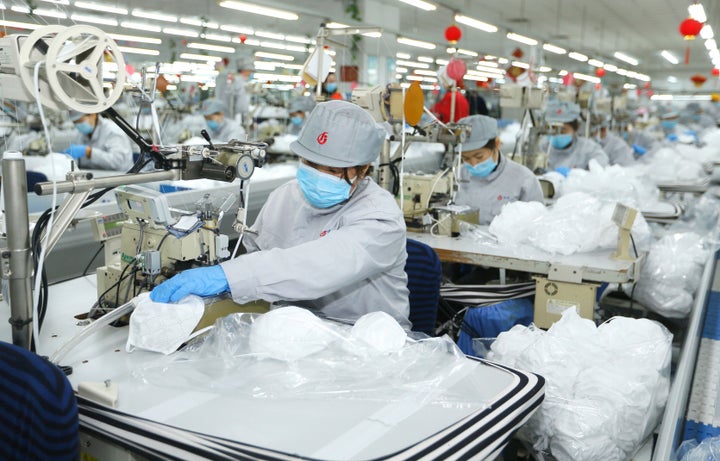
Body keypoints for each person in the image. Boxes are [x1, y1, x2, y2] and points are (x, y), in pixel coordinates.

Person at [151, 100, 411, 327]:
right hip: (292, 328)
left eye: (332, 170)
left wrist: (227, 276)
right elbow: (257, 254)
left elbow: (318, 267)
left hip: (366, 339)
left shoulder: (380, 218)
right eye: (310, 163)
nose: (318, 175)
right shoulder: (285, 197)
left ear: (363, 170)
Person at [453, 115, 543, 225]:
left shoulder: (524, 180)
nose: (473, 164)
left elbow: (537, 225)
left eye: (479, 157)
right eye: (465, 158)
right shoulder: (455, 176)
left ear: (497, 144)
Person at [545, 101, 609, 174]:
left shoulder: (587, 148)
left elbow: (600, 162)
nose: (557, 134)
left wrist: (580, 174)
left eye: (563, 130)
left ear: (576, 128)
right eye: (553, 129)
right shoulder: (542, 147)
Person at [63, 111, 133, 171]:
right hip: (97, 177)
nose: (78, 125)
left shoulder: (112, 131)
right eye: (75, 123)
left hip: (122, 179)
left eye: (80, 121)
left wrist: (89, 152)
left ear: (93, 114)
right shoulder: (81, 134)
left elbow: (119, 163)